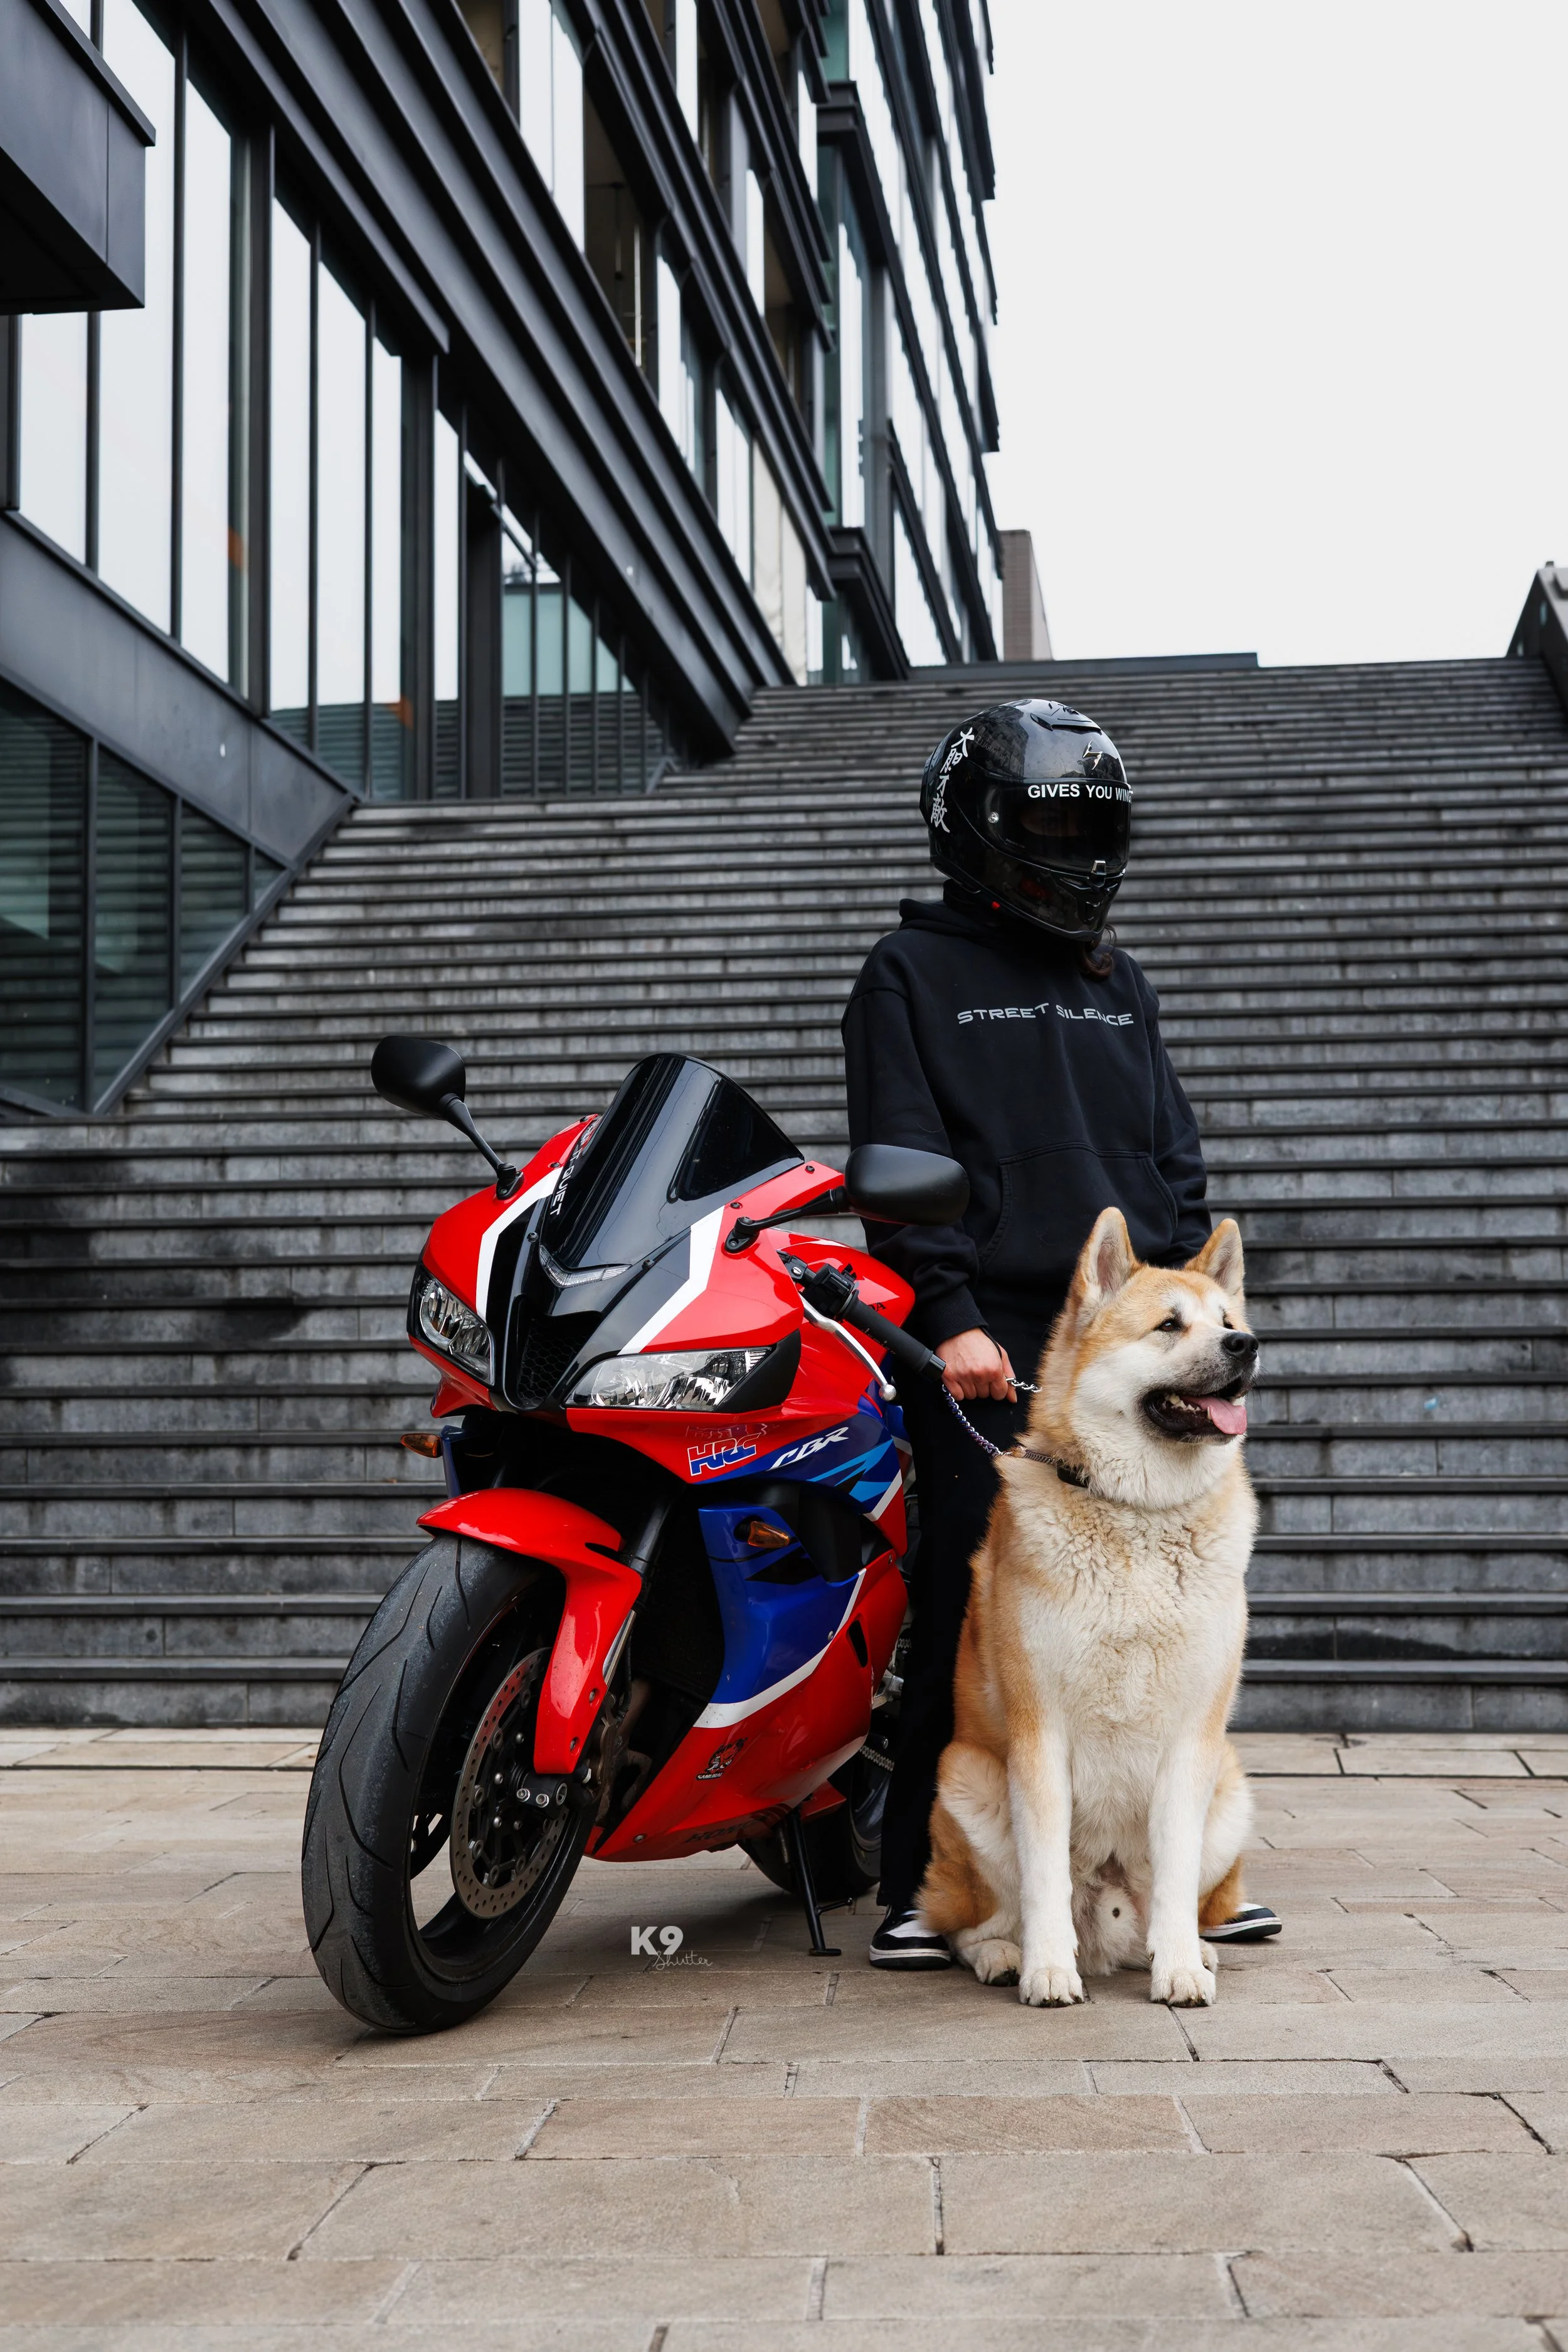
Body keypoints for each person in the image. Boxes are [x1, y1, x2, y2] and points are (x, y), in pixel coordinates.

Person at [842, 698, 1280, 1968]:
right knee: (963, 1595)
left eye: (1089, 825)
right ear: (976, 825)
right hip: (988, 1334)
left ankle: (1174, 1878)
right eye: (1041, 819)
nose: (1068, 847)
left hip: (1134, 1337)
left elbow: (1172, 1155)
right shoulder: (907, 973)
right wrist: (950, 1314)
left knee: (1178, 1608)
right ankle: (925, 1889)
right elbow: (902, 1153)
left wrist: (1184, 1299)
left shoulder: (1115, 983)